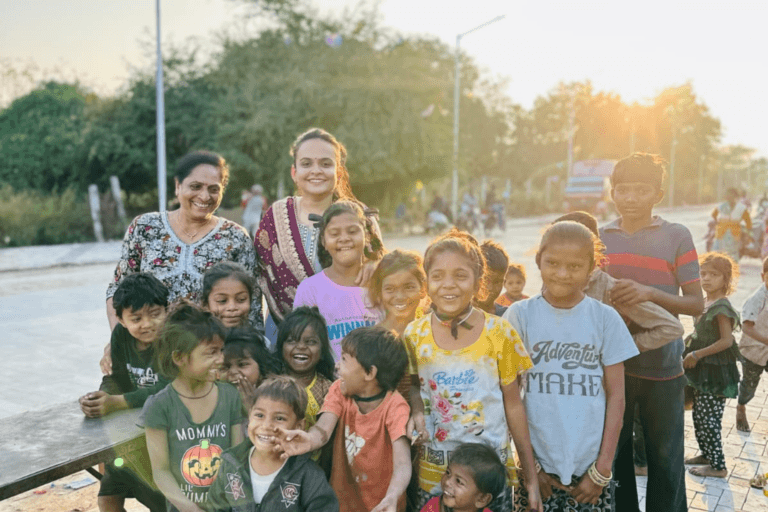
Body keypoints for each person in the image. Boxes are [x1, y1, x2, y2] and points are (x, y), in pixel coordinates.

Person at [504, 221, 639, 511]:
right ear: (538, 259)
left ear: (592, 268)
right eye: (552, 263)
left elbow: (617, 397)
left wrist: (602, 469)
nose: (562, 274)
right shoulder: (520, 316)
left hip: (590, 469)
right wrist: (530, 469)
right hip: (536, 467)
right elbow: (510, 398)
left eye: (575, 266)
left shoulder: (605, 319)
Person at [405, 229, 541, 512]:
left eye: (460, 275)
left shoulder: (499, 332)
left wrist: (530, 476)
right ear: (426, 282)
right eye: (438, 276)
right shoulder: (414, 335)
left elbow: (514, 405)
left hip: (488, 480)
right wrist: (417, 409)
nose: (448, 285)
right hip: (435, 476)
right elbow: (412, 387)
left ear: (479, 282)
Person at [600, 153, 704, 512]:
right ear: (612, 192)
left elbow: (695, 304)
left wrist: (648, 294)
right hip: (614, 365)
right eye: (623, 190)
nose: (630, 198)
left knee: (665, 453)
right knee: (615, 454)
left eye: (641, 190)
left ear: (657, 195)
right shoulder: (600, 239)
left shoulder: (676, 235)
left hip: (663, 364)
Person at [104, 151, 261, 374]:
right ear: (178, 186)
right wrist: (119, 342)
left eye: (213, 189)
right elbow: (118, 289)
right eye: (195, 186)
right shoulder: (145, 227)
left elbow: (252, 310)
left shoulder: (235, 237)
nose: (204, 196)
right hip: (150, 360)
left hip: (211, 364)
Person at [255, 128, 383, 342]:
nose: (316, 171)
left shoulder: (359, 215)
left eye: (325, 164)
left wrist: (376, 266)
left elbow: (381, 263)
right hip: (288, 336)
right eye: (306, 164)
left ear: (339, 173)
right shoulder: (275, 216)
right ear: (294, 173)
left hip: (351, 335)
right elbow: (258, 274)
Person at [276, 326, 413, 512]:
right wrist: (308, 440)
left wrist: (393, 495)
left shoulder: (395, 407)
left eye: (344, 360)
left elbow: (403, 464)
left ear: (369, 373)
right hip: (342, 504)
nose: (337, 365)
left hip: (383, 507)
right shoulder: (339, 391)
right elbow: (323, 429)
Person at [79, 273, 170, 512]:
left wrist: (117, 402)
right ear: (120, 319)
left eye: (154, 314)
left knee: (161, 501)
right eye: (136, 318)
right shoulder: (120, 337)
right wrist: (99, 399)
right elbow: (114, 378)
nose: (147, 324)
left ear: (166, 311)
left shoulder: (173, 340)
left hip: (164, 435)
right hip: (127, 436)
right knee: (108, 496)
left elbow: (170, 388)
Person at [142, 303, 244, 512]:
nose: (221, 359)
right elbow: (160, 472)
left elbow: (236, 461)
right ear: (179, 357)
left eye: (221, 350)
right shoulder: (159, 406)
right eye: (211, 353)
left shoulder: (229, 396)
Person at [204, 376, 339, 512]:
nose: (266, 425)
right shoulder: (230, 464)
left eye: (279, 418)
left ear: (298, 426)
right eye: (259, 415)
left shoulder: (308, 476)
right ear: (250, 415)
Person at [293, 201, 385, 359]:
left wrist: (382, 268)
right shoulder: (310, 290)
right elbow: (301, 343)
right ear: (323, 241)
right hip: (330, 381)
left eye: (352, 231)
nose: (344, 239)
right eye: (334, 234)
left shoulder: (382, 282)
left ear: (367, 236)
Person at [682, 252, 741, 478]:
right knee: (699, 415)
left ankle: (718, 466)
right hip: (702, 369)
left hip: (715, 372)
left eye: (713, 275)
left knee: (709, 419)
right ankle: (706, 454)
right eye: (703, 273)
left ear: (725, 279)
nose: (706, 279)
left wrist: (697, 353)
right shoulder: (706, 302)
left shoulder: (722, 307)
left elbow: (727, 341)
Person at [275, 307, 336, 431]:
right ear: (281, 347)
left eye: (311, 342)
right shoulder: (270, 384)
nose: (301, 347)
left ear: (322, 351)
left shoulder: (329, 390)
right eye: (292, 341)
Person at [419, 443, 506, 512]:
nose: (447, 482)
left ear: (482, 499)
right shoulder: (433, 507)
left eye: (458, 481)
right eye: (448, 473)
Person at [736, 257, 768, 433]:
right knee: (749, 385)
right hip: (753, 351)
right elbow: (747, 328)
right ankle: (741, 406)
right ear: (763, 276)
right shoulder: (757, 298)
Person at [221, 327, 281, 413]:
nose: (233, 372)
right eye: (225, 367)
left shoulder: (278, 399)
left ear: (262, 368)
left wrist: (250, 408)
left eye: (242, 364)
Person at [202, 261, 256, 329]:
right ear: (206, 305)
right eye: (222, 301)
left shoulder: (259, 339)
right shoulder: (195, 338)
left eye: (241, 299)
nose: (232, 307)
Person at [712, 187, 752, 261]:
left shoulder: (741, 208)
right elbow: (714, 214)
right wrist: (718, 222)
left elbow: (748, 221)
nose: (729, 197)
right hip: (721, 233)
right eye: (727, 195)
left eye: (731, 195)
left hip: (734, 234)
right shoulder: (721, 206)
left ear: (735, 196)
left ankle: (732, 269)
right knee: (717, 253)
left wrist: (748, 233)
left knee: (732, 255)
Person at [476, 240, 509, 315]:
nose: (490, 288)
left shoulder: (507, 315)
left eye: (497, 282)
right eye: (486, 280)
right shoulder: (459, 316)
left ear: (504, 282)